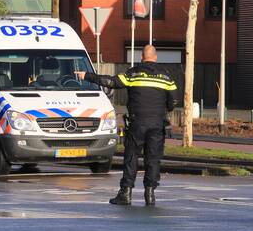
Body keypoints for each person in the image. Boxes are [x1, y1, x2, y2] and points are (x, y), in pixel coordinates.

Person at [76, 45, 179, 206]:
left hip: (137, 123)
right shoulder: (166, 77)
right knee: (153, 159)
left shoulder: (133, 73)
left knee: (131, 157)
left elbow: (111, 82)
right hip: (157, 124)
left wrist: (87, 76)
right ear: (156, 57)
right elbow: (174, 101)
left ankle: (126, 193)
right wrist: (163, 109)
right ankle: (150, 194)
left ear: (142, 58)